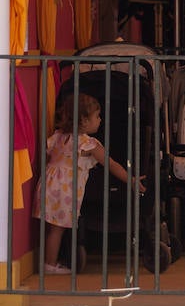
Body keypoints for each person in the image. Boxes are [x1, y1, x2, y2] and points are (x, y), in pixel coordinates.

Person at [34, 93, 144, 274]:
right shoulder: (87, 144)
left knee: (51, 228)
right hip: (65, 189)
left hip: (48, 184)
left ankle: (48, 260)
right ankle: (49, 265)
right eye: (97, 116)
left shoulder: (58, 136)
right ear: (84, 121)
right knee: (58, 230)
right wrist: (130, 179)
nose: (100, 120)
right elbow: (111, 164)